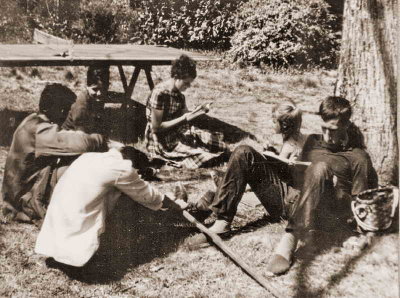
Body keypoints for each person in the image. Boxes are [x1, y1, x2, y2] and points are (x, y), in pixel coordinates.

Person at [189, 96, 377, 275]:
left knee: (320, 168)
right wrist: (284, 165)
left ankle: (289, 240)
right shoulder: (313, 141)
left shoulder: (358, 158)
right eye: (324, 128)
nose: (327, 136)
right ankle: (222, 220)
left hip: (320, 214)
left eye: (333, 130)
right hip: (290, 200)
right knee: (243, 152)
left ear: (346, 125)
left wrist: (336, 191)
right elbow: (297, 177)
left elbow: (360, 203)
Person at [35, 144, 188, 267]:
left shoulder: (90, 157)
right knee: (132, 200)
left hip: (56, 232)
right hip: (76, 240)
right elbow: (149, 196)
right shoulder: (123, 168)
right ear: (134, 166)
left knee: (117, 193)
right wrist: (175, 204)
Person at [1, 84, 108, 224]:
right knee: (73, 169)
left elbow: (63, 134)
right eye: (65, 110)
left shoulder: (32, 120)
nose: (66, 115)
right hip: (22, 203)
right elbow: (81, 144)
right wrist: (102, 140)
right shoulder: (40, 131)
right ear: (58, 110)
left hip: (18, 197)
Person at [145, 54, 229, 169]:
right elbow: (156, 128)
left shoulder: (179, 95)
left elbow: (185, 115)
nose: (188, 86)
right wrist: (184, 118)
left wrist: (198, 111)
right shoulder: (159, 93)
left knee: (220, 146)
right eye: (186, 83)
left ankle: (215, 154)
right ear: (176, 77)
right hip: (163, 139)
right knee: (204, 156)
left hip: (179, 131)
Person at [62, 65, 110, 134]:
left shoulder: (94, 98)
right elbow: (81, 137)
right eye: (95, 89)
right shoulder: (81, 105)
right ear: (87, 87)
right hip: (70, 137)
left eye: (103, 89)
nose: (99, 93)